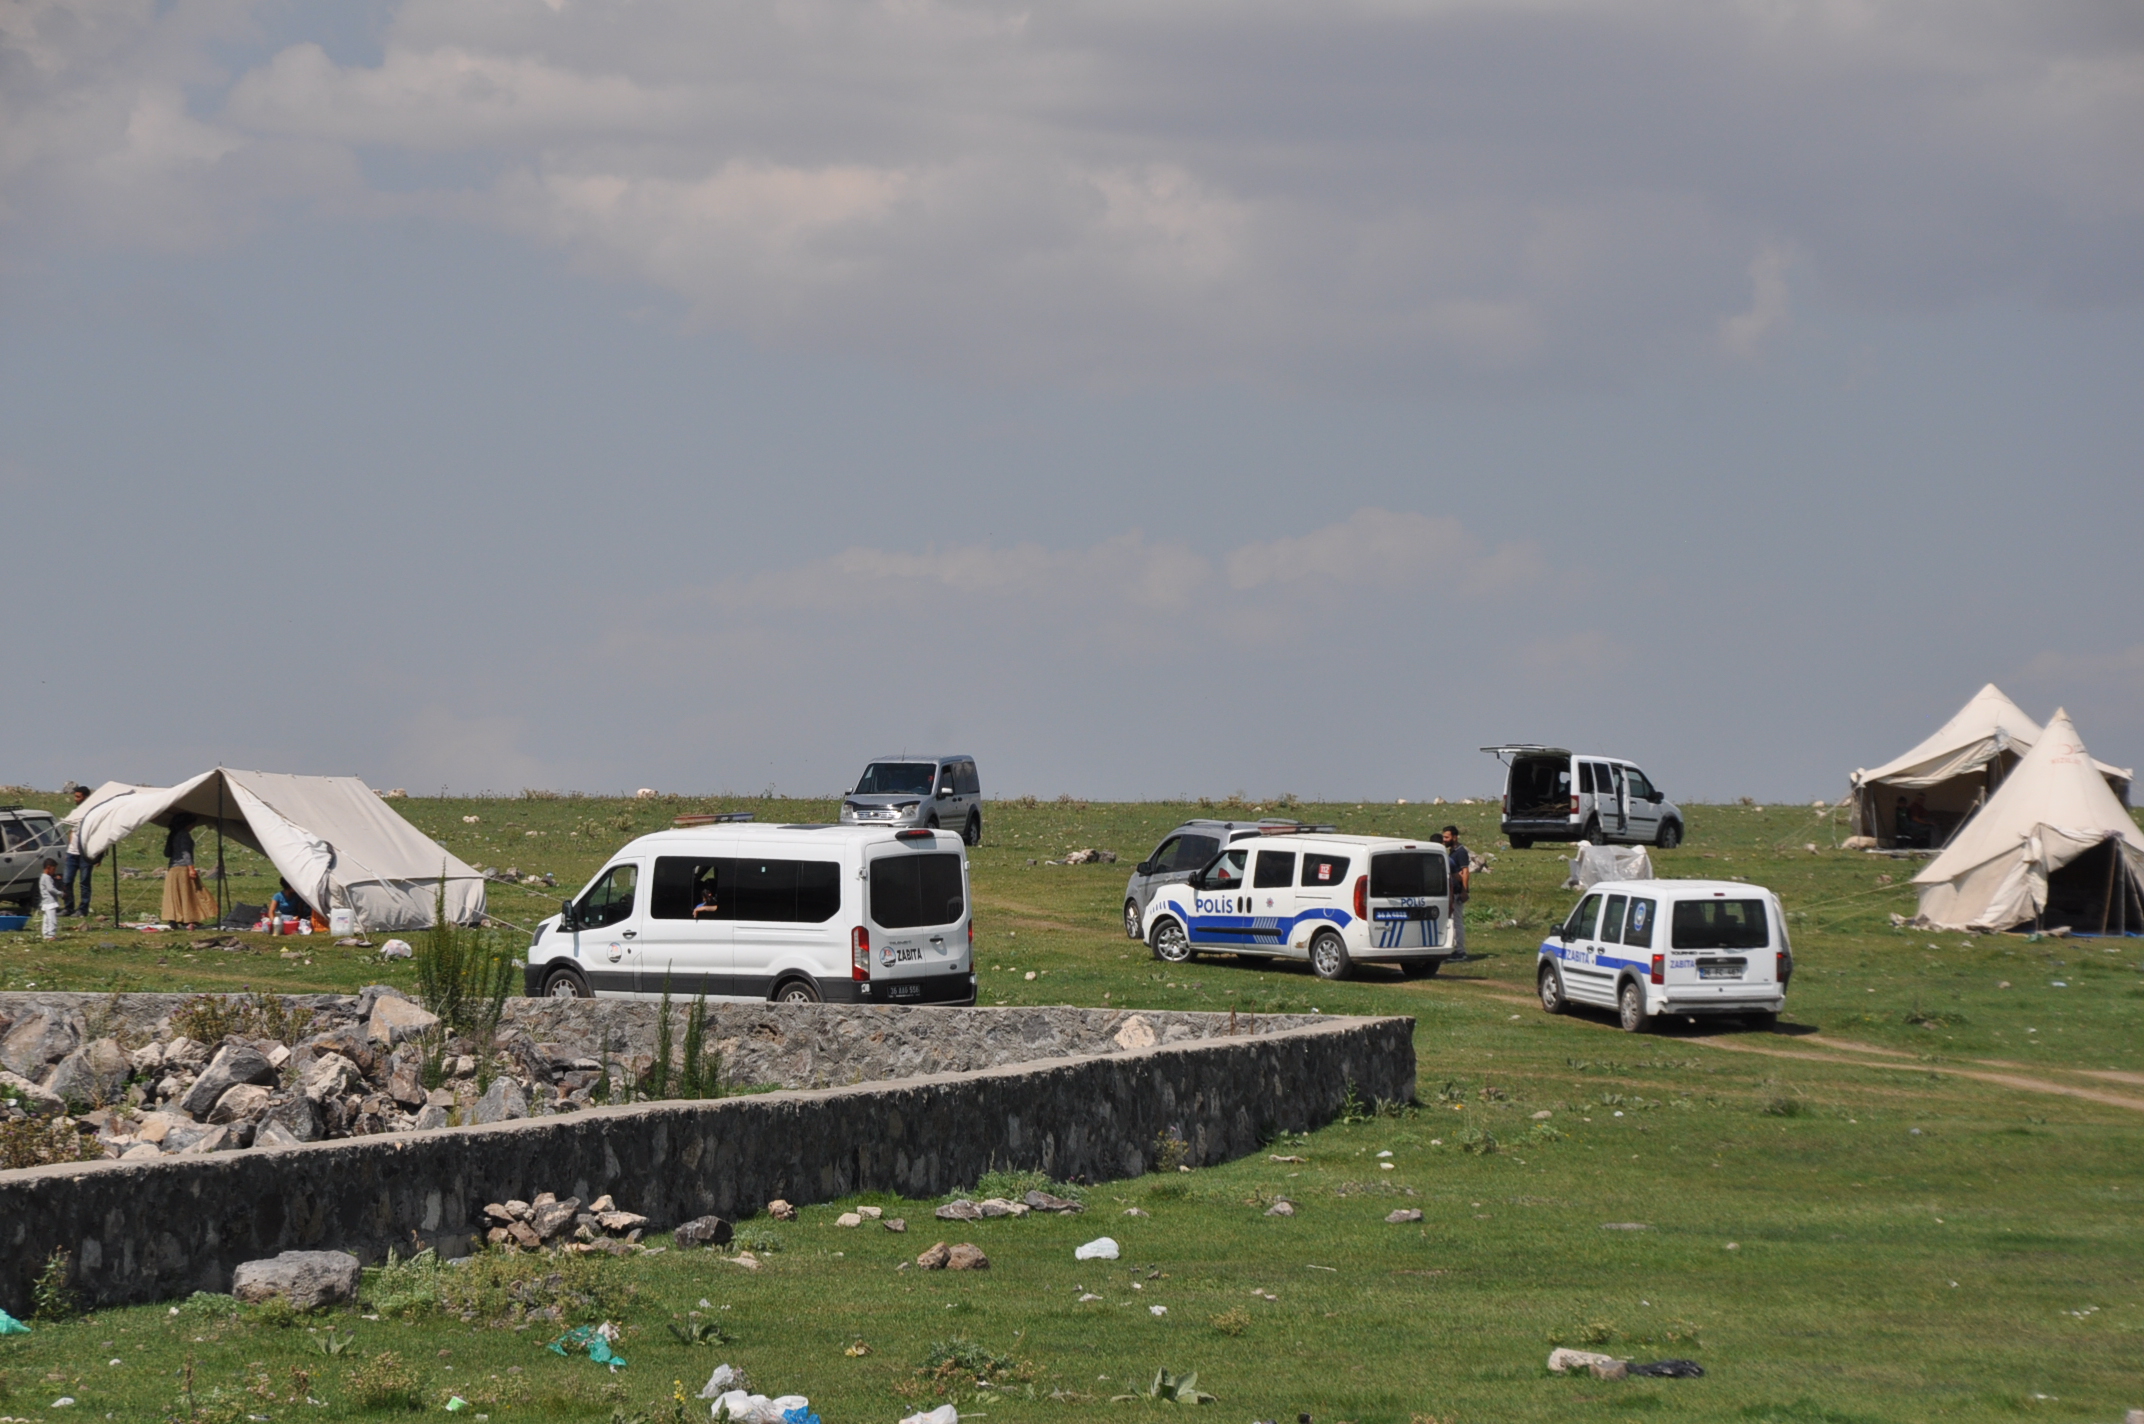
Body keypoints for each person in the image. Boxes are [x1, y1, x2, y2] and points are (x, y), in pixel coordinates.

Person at [161, 814, 215, 930]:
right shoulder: (184, 835)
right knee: (188, 894)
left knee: (174, 895)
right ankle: (188, 919)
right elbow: (186, 853)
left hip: (172, 869)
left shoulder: (173, 835)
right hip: (182, 868)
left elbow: (167, 853)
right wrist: (191, 868)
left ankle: (173, 919)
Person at [60, 784, 95, 918]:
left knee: (84, 883)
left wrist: (98, 854)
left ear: (85, 798)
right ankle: (68, 907)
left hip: (85, 854)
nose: (75, 799)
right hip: (72, 853)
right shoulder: (76, 812)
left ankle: (83, 909)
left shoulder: (92, 814)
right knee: (67, 881)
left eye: (78, 796)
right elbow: (72, 830)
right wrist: (69, 847)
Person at [1440, 824, 1471, 960]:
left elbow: (1465, 872)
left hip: (1458, 891)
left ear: (1455, 837)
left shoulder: (1461, 852)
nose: (1445, 839)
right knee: (1452, 922)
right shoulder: (1452, 851)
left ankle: (1460, 951)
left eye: (1447, 837)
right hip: (1454, 891)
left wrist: (1464, 891)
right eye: (1443, 837)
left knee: (1457, 921)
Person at [38, 857, 61, 941]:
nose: (54, 871)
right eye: (53, 869)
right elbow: (51, 889)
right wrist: (60, 893)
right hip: (50, 902)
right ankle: (51, 935)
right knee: (52, 919)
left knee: (46, 919)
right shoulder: (47, 878)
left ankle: (46, 934)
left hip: (45, 901)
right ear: (48, 868)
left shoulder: (43, 877)